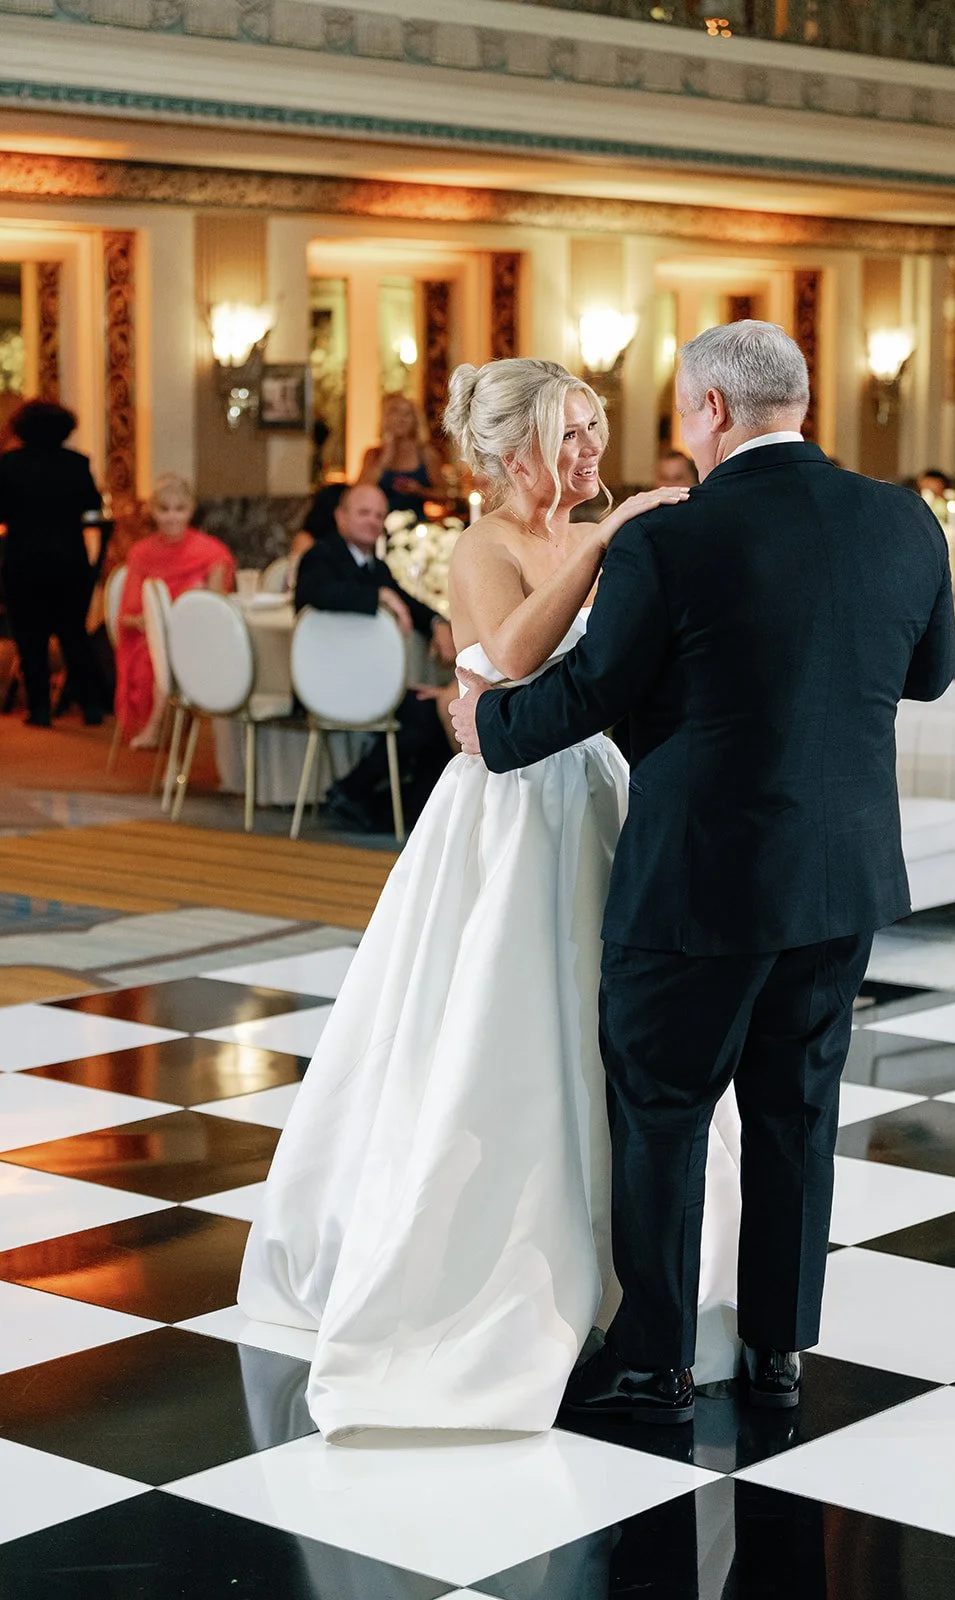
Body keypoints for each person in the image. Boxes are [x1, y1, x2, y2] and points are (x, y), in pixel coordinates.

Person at [452, 321, 955, 1417]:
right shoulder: (901, 517)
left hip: (696, 881)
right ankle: (777, 1349)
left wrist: (485, 723)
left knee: (664, 1112)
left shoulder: (670, 539)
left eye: (680, 411)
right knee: (794, 1110)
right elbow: (928, 676)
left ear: (712, 411)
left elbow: (588, 692)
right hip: (840, 881)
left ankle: (652, 1360)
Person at [238, 357, 739, 1439]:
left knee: (619, 1028)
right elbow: (504, 655)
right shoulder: (484, 544)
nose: (589, 455)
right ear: (514, 451)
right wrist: (606, 540)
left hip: (598, 789)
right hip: (508, 811)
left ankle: (639, 1279)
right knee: (498, 1026)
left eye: (594, 432)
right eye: (570, 437)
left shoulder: (606, 531)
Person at [295, 482, 458, 831]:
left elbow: (409, 601)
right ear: (341, 517)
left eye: (379, 514)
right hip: (327, 683)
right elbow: (317, 592)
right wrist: (379, 595)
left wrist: (436, 621)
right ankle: (356, 794)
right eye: (363, 512)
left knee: (435, 709)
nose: (372, 521)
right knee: (424, 714)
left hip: (368, 682)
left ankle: (399, 806)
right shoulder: (321, 556)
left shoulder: (375, 565)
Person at [0, 399, 106, 727]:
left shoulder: (11, 465)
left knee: (30, 636)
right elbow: (92, 508)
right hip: (69, 560)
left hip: (24, 560)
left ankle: (39, 710)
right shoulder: (77, 463)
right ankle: (91, 705)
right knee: (73, 634)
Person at [115, 474, 235, 748]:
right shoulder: (141, 554)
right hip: (150, 637)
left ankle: (162, 730)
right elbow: (128, 617)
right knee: (160, 656)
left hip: (200, 635)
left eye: (179, 509)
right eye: (164, 509)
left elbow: (216, 608)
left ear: (191, 510)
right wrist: (157, 623)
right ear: (152, 511)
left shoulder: (212, 553)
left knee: (178, 653)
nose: (172, 517)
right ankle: (159, 728)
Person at [357, 393, 447, 516]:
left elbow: (443, 494)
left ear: (415, 420)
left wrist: (419, 490)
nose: (401, 418)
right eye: (395, 412)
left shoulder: (427, 454)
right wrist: (385, 457)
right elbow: (359, 492)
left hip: (415, 527)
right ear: (386, 418)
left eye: (407, 414)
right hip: (378, 524)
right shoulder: (373, 454)